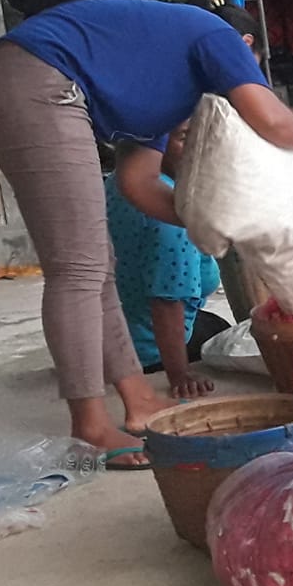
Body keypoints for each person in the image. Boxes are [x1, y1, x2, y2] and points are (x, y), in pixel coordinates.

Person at [0, 0, 293, 466]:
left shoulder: (163, 94)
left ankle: (137, 398)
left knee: (96, 266)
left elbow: (137, 184)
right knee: (78, 269)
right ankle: (91, 427)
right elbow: (270, 117)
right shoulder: (218, 36)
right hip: (36, 81)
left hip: (23, 82)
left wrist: (221, 222)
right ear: (245, 48)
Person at [102, 119, 228, 401]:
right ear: (150, 144)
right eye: (184, 137)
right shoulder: (171, 214)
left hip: (109, 338)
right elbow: (166, 303)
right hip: (146, 353)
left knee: (216, 325)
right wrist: (179, 375)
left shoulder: (121, 181)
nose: (199, 147)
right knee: (232, 337)